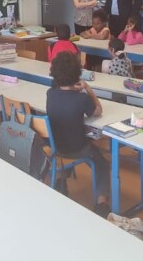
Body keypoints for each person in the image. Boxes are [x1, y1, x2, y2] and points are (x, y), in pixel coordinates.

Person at [46, 52, 111, 218]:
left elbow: (61, 94)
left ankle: (61, 180)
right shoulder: (80, 99)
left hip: (55, 147)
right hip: (78, 148)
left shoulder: (50, 93)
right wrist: (88, 89)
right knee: (102, 164)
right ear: (77, 74)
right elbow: (98, 110)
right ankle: (101, 203)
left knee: (65, 140)